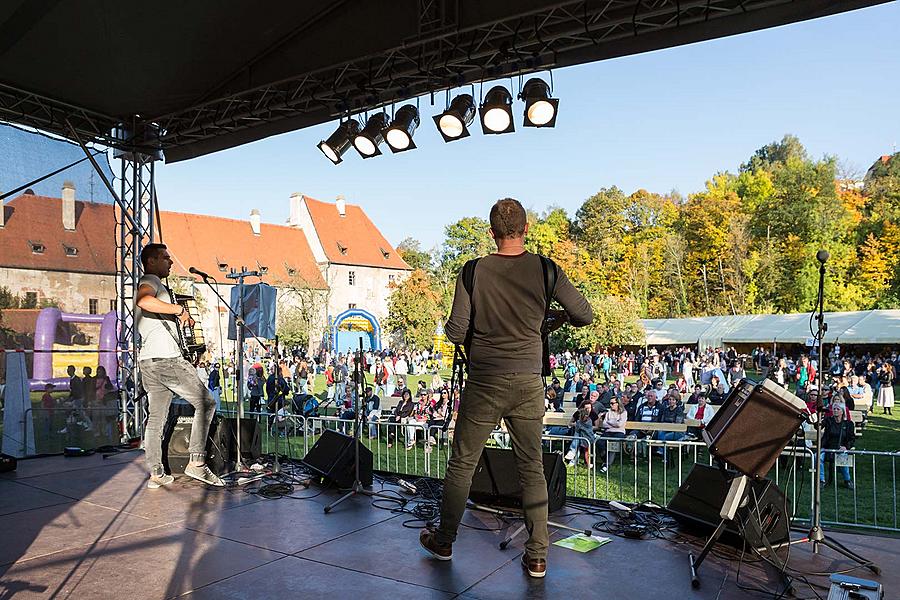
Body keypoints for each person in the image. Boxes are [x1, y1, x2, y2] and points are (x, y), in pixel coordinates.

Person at [420, 198, 592, 579]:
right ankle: (537, 556)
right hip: (528, 382)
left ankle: (445, 541)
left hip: (483, 382)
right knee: (531, 466)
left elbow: (454, 331)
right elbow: (585, 314)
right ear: (526, 229)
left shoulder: (472, 272)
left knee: (462, 463)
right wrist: (552, 319)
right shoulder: (547, 269)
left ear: (492, 232)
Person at [135, 243, 224, 488]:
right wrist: (179, 311)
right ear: (151, 261)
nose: (171, 262)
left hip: (149, 361)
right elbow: (144, 301)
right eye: (165, 258)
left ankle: (156, 472)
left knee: (156, 419)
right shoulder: (150, 281)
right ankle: (197, 463)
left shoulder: (158, 285)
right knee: (206, 402)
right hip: (166, 360)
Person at [820, 403, 856, 489]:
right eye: (834, 409)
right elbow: (819, 426)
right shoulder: (829, 421)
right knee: (817, 457)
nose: (835, 411)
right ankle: (821, 480)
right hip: (827, 448)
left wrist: (846, 447)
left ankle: (847, 480)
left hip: (841, 448)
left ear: (842, 411)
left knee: (843, 457)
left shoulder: (848, 424)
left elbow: (851, 438)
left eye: (838, 409)